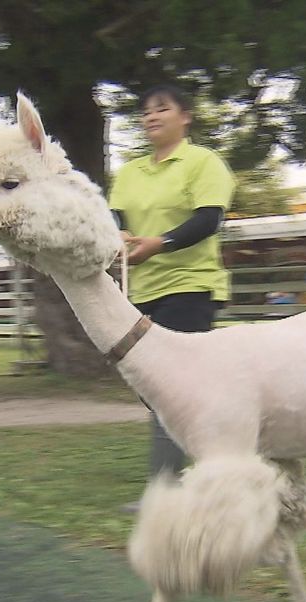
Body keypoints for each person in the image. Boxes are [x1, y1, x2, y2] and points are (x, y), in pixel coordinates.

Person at [108, 84, 236, 510]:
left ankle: (170, 488)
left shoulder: (202, 162)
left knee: (173, 390)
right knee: (157, 391)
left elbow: (209, 219)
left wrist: (158, 244)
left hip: (190, 285)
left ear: (186, 117)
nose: (151, 117)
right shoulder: (129, 173)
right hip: (140, 290)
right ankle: (200, 474)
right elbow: (115, 217)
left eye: (162, 109)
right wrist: (119, 234)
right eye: (145, 112)